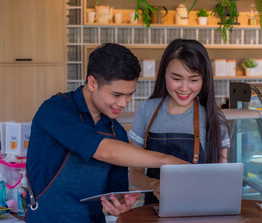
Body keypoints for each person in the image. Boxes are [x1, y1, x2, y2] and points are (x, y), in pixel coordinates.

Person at [25, 43, 186, 223]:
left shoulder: (116, 132)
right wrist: (166, 160)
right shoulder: (56, 110)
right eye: (117, 95)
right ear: (93, 83)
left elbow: (114, 193)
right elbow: (101, 149)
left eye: (129, 94)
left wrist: (119, 205)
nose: (124, 103)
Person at [128, 39, 231, 205]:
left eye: (193, 80)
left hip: (200, 212)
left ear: (204, 79)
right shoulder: (146, 110)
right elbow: (134, 172)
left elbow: (221, 179)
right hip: (154, 211)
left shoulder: (214, 118)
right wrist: (154, 184)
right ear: (164, 75)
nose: (184, 88)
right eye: (176, 79)